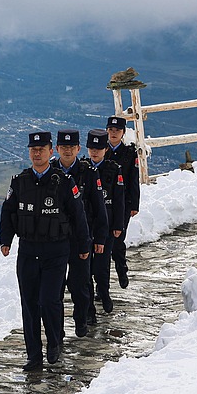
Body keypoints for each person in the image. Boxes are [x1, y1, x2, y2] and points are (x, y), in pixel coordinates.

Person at [0, 131, 90, 371]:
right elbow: (8, 211)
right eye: (33, 150)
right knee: (29, 305)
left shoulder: (63, 182)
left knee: (49, 300)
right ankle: (34, 355)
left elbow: (78, 216)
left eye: (42, 149)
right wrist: (5, 240)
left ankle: (54, 342)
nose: (37, 153)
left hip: (56, 251)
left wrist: (83, 246)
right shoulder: (20, 181)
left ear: (51, 152)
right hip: (28, 252)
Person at [53, 129, 108, 336]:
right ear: (57, 149)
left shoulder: (89, 173)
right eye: (63, 147)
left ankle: (81, 319)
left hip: (81, 237)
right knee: (56, 287)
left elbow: (99, 207)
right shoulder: (50, 172)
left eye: (71, 147)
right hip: (55, 238)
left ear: (78, 149)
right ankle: (57, 332)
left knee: (80, 284)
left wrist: (100, 237)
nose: (67, 151)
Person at [85, 129, 125, 318]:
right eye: (92, 148)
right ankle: (89, 304)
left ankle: (104, 292)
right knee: (86, 266)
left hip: (106, 224)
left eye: (99, 148)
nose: (95, 152)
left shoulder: (113, 169)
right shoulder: (83, 169)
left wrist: (118, 225)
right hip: (86, 224)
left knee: (102, 264)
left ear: (105, 149)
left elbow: (119, 200)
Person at [106, 116, 140, 288]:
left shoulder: (129, 153)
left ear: (123, 133)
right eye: (111, 130)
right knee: (102, 242)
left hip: (123, 203)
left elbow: (134, 178)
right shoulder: (101, 150)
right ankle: (102, 283)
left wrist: (135, 204)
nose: (113, 134)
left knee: (118, 240)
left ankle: (121, 269)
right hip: (103, 203)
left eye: (117, 131)